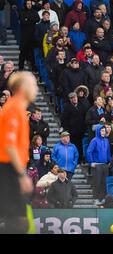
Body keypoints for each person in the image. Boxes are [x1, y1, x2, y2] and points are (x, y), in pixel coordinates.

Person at [0, 72, 38, 233]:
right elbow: (9, 145)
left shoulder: (18, 109)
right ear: (23, 88)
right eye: (33, 85)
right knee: (18, 222)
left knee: (17, 220)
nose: (36, 89)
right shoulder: (14, 109)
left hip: (10, 167)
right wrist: (22, 175)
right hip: (8, 168)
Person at [86, 125, 111, 206]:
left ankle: (103, 198)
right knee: (97, 183)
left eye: (104, 130)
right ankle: (96, 198)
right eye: (102, 130)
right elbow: (89, 151)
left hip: (104, 165)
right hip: (97, 165)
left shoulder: (106, 140)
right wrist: (91, 162)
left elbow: (108, 152)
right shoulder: (94, 140)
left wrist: (109, 161)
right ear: (98, 131)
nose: (104, 132)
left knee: (104, 183)